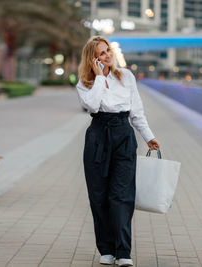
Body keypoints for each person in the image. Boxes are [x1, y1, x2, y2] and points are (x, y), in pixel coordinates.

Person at [76, 36, 160, 266]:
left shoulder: (127, 76)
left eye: (108, 51)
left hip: (123, 134)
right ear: (92, 59)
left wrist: (148, 136)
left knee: (122, 195)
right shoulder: (85, 82)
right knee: (99, 195)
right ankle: (106, 248)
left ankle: (123, 252)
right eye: (101, 53)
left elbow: (137, 112)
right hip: (98, 137)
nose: (107, 56)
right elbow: (92, 106)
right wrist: (101, 78)